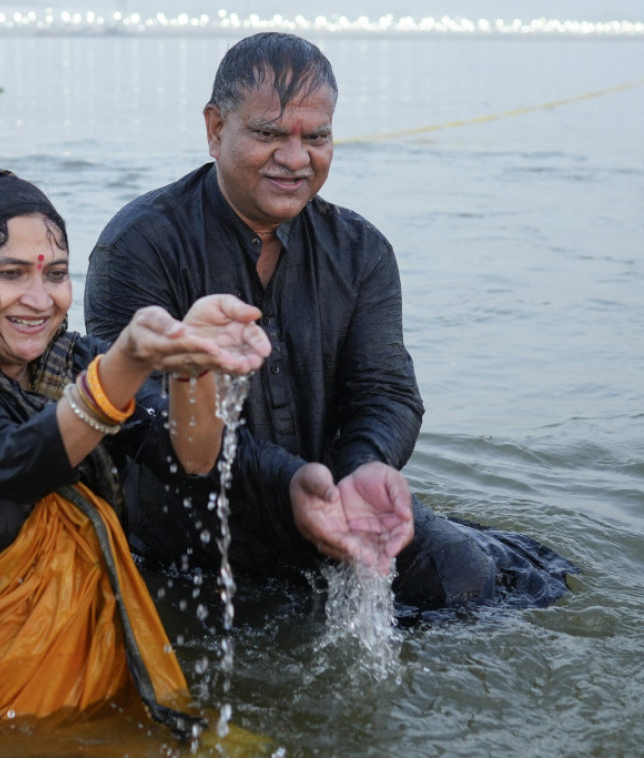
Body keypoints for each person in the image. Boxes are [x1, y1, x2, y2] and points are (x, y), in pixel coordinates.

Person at [85, 32, 577, 617]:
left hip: (332, 503)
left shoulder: (361, 250)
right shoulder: (138, 244)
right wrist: (287, 483)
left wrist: (364, 469)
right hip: (192, 532)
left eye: (316, 137)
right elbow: (138, 417)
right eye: (269, 134)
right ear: (215, 129)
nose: (296, 159)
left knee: (474, 578)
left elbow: (387, 393)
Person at [0, 168, 274, 734]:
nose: (40, 300)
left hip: (85, 700)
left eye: (57, 274)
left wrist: (195, 362)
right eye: (10, 273)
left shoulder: (71, 364)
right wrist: (126, 364)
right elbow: (10, 461)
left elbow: (191, 459)